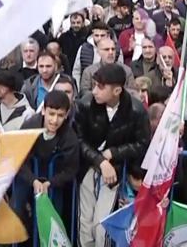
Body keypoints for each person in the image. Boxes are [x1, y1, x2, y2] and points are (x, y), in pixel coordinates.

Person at [75, 64, 150, 247]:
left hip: (116, 173)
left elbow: (142, 143)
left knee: (102, 226)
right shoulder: (84, 104)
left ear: (117, 90)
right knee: (85, 226)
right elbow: (77, 139)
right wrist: (100, 160)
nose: (94, 91)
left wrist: (114, 153)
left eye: (100, 87)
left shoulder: (136, 110)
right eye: (94, 85)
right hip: (87, 168)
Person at [13, 91, 79, 222]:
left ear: (66, 115)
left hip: (53, 182)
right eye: (51, 114)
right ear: (43, 110)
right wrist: (33, 180)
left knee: (53, 218)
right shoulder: (29, 126)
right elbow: (19, 158)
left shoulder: (70, 136)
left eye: (60, 115)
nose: (54, 120)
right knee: (17, 210)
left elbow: (71, 168)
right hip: (27, 177)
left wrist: (51, 182)